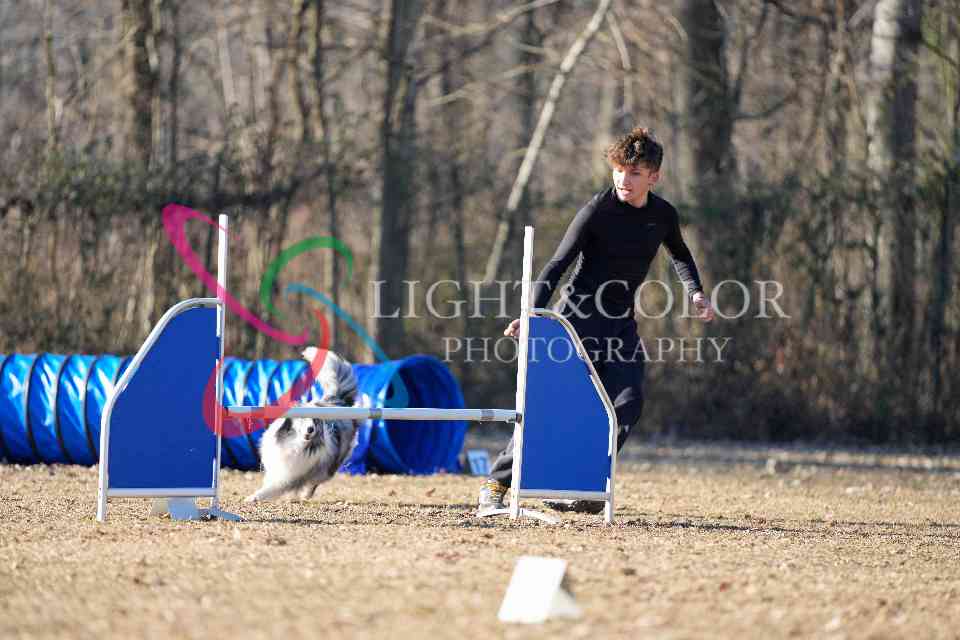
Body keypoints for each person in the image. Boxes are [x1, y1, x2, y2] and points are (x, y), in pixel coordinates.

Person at [477, 126, 715, 514]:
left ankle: (586, 486)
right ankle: (496, 482)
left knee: (628, 402)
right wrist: (531, 315)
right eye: (619, 170)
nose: (624, 180)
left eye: (634, 173)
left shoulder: (662, 215)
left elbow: (680, 254)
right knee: (550, 407)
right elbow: (556, 265)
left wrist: (696, 292)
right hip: (576, 321)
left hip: (620, 325)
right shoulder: (596, 211)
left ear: (653, 177)